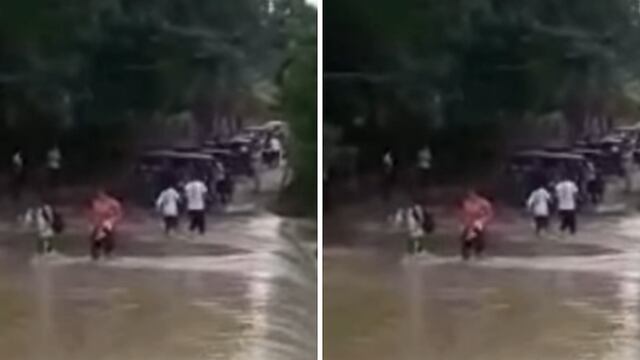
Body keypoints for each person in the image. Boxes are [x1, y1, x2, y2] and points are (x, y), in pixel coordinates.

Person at [460, 189, 494, 260]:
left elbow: (489, 214)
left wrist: (482, 221)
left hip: (479, 222)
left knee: (474, 235)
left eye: (472, 195)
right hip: (469, 223)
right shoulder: (467, 202)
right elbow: (465, 214)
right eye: (469, 195)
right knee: (464, 237)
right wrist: (464, 223)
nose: (471, 196)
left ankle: (479, 253)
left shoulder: (484, 203)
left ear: (477, 195)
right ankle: (466, 254)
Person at [89, 189, 123, 260]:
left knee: (103, 235)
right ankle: (96, 254)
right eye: (99, 194)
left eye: (102, 194)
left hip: (109, 222)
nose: (100, 196)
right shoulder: (96, 202)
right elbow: (94, 214)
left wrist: (112, 221)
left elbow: (119, 214)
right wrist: (92, 223)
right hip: (98, 223)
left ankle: (108, 253)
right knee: (94, 236)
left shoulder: (114, 203)